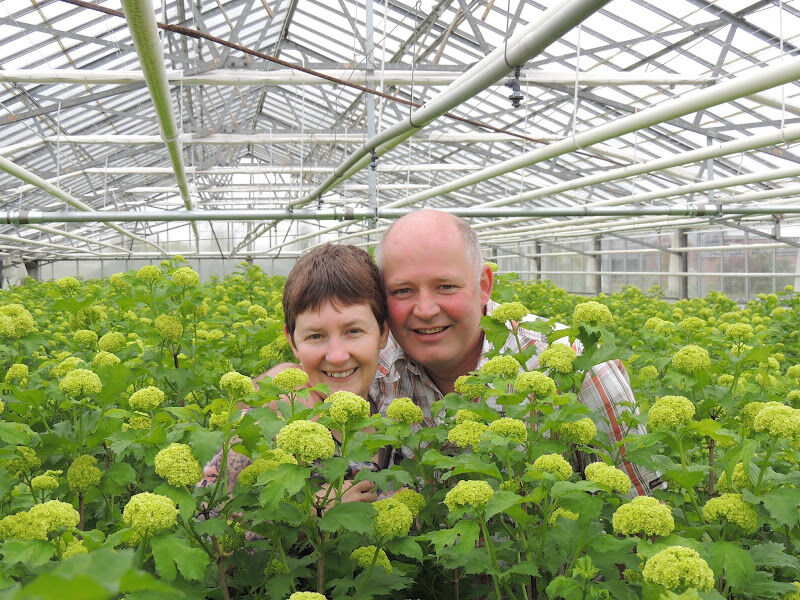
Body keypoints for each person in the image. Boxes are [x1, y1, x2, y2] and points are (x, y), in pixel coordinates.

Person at [371, 209, 662, 497]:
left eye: (445, 287)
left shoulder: (578, 367)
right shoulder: (374, 372)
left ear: (483, 286)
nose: (425, 310)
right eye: (402, 291)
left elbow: (641, 513)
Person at [198, 244, 388, 504]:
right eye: (315, 336)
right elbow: (207, 521)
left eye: (353, 331)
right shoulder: (259, 429)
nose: (336, 355)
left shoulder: (394, 416)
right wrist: (311, 512)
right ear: (292, 341)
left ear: (383, 332)